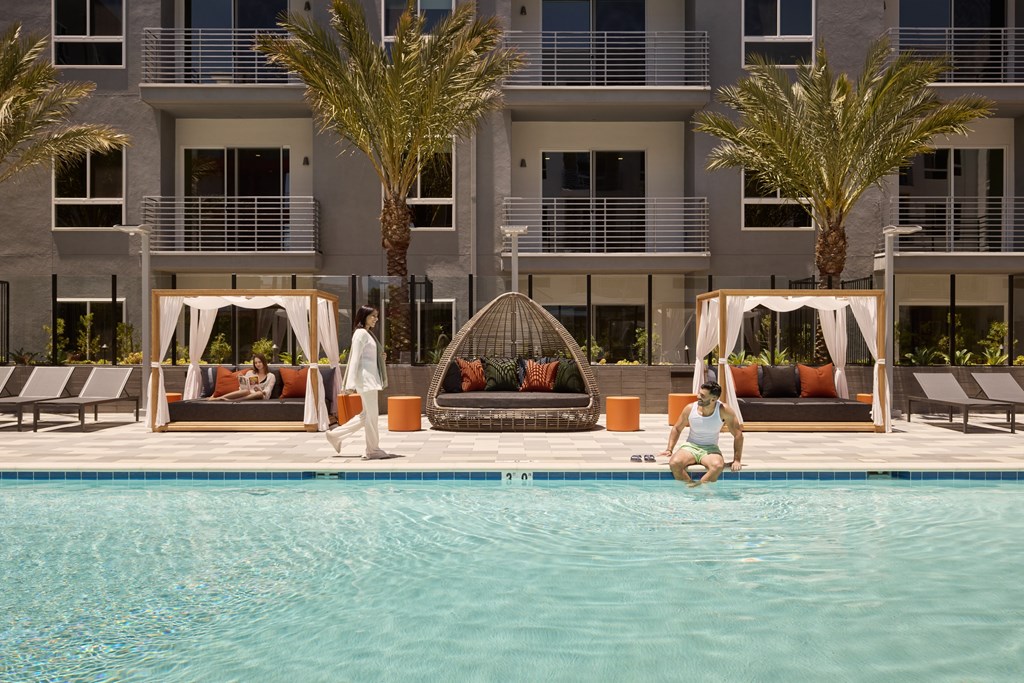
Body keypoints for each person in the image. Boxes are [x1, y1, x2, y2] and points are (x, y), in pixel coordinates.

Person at [326, 305, 390, 459]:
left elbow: (366, 358)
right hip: (365, 380)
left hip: (370, 379)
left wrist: (380, 357)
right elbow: (354, 359)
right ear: (364, 316)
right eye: (373, 316)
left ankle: (335, 436)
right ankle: (372, 450)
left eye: (376, 316)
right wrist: (349, 384)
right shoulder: (361, 334)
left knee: (366, 415)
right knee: (372, 416)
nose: (376, 319)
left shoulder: (367, 334)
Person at [658, 381, 743, 486]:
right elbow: (677, 428)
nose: (698, 396)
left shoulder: (724, 410)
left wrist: (737, 460)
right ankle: (690, 486)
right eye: (699, 393)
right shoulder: (690, 408)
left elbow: (738, 434)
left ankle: (697, 487)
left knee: (717, 466)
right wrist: (669, 449)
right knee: (675, 463)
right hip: (690, 447)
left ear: (713, 399)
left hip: (711, 449)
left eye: (702, 395)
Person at [209, 353, 275, 401]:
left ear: (264, 362)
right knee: (246, 391)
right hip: (249, 393)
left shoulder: (271, 376)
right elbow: (242, 388)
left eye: (260, 362)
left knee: (259, 393)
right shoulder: (250, 373)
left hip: (262, 396)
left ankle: (233, 401)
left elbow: (268, 390)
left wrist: (260, 390)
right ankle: (219, 398)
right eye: (256, 363)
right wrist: (241, 379)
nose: (257, 364)